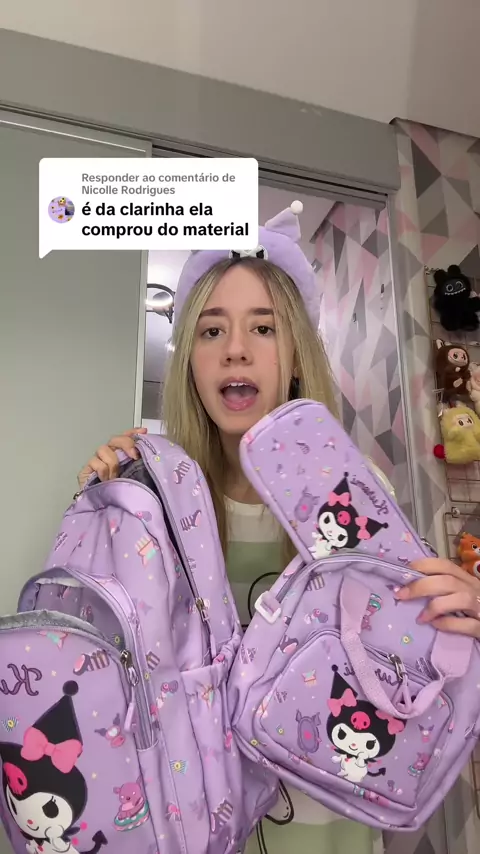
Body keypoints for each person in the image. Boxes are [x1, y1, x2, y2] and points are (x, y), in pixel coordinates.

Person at [77, 203, 480, 853]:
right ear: (191, 365)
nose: (236, 348)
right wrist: (105, 511)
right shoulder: (154, 508)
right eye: (211, 331)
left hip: (334, 832)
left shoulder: (357, 497)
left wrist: (460, 615)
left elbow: (412, 669)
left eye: (263, 327)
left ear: (294, 355)